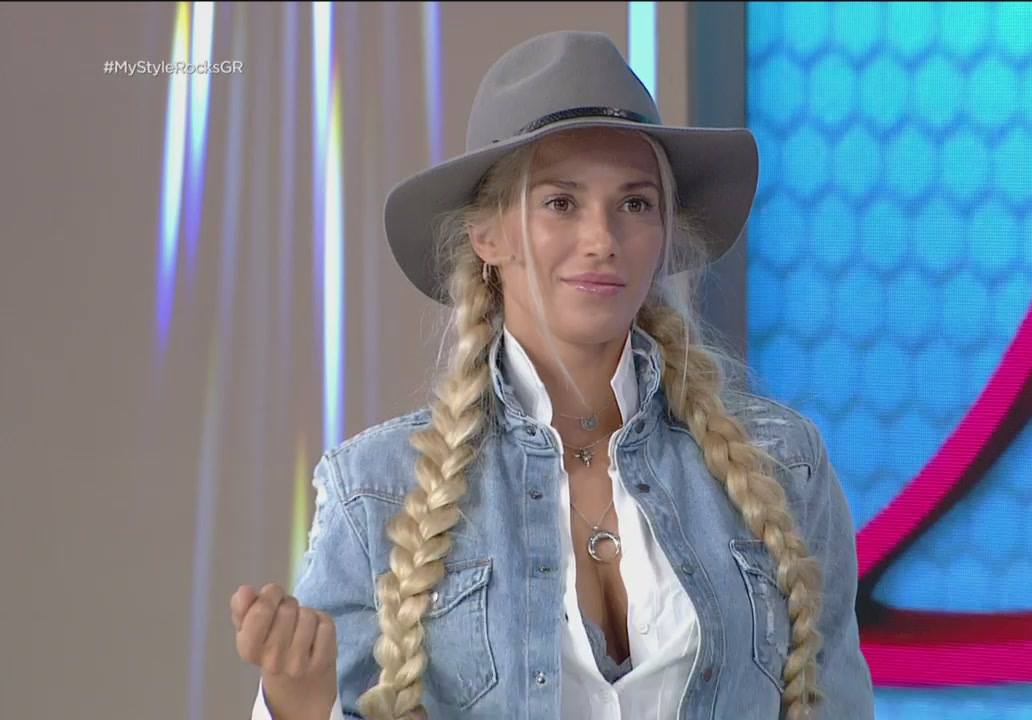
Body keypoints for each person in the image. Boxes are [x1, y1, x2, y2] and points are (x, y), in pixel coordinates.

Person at [230, 30, 875, 720]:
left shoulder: (784, 463)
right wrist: (296, 706)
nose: (602, 239)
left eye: (635, 203)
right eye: (561, 203)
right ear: (488, 235)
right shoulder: (375, 490)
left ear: (663, 236)